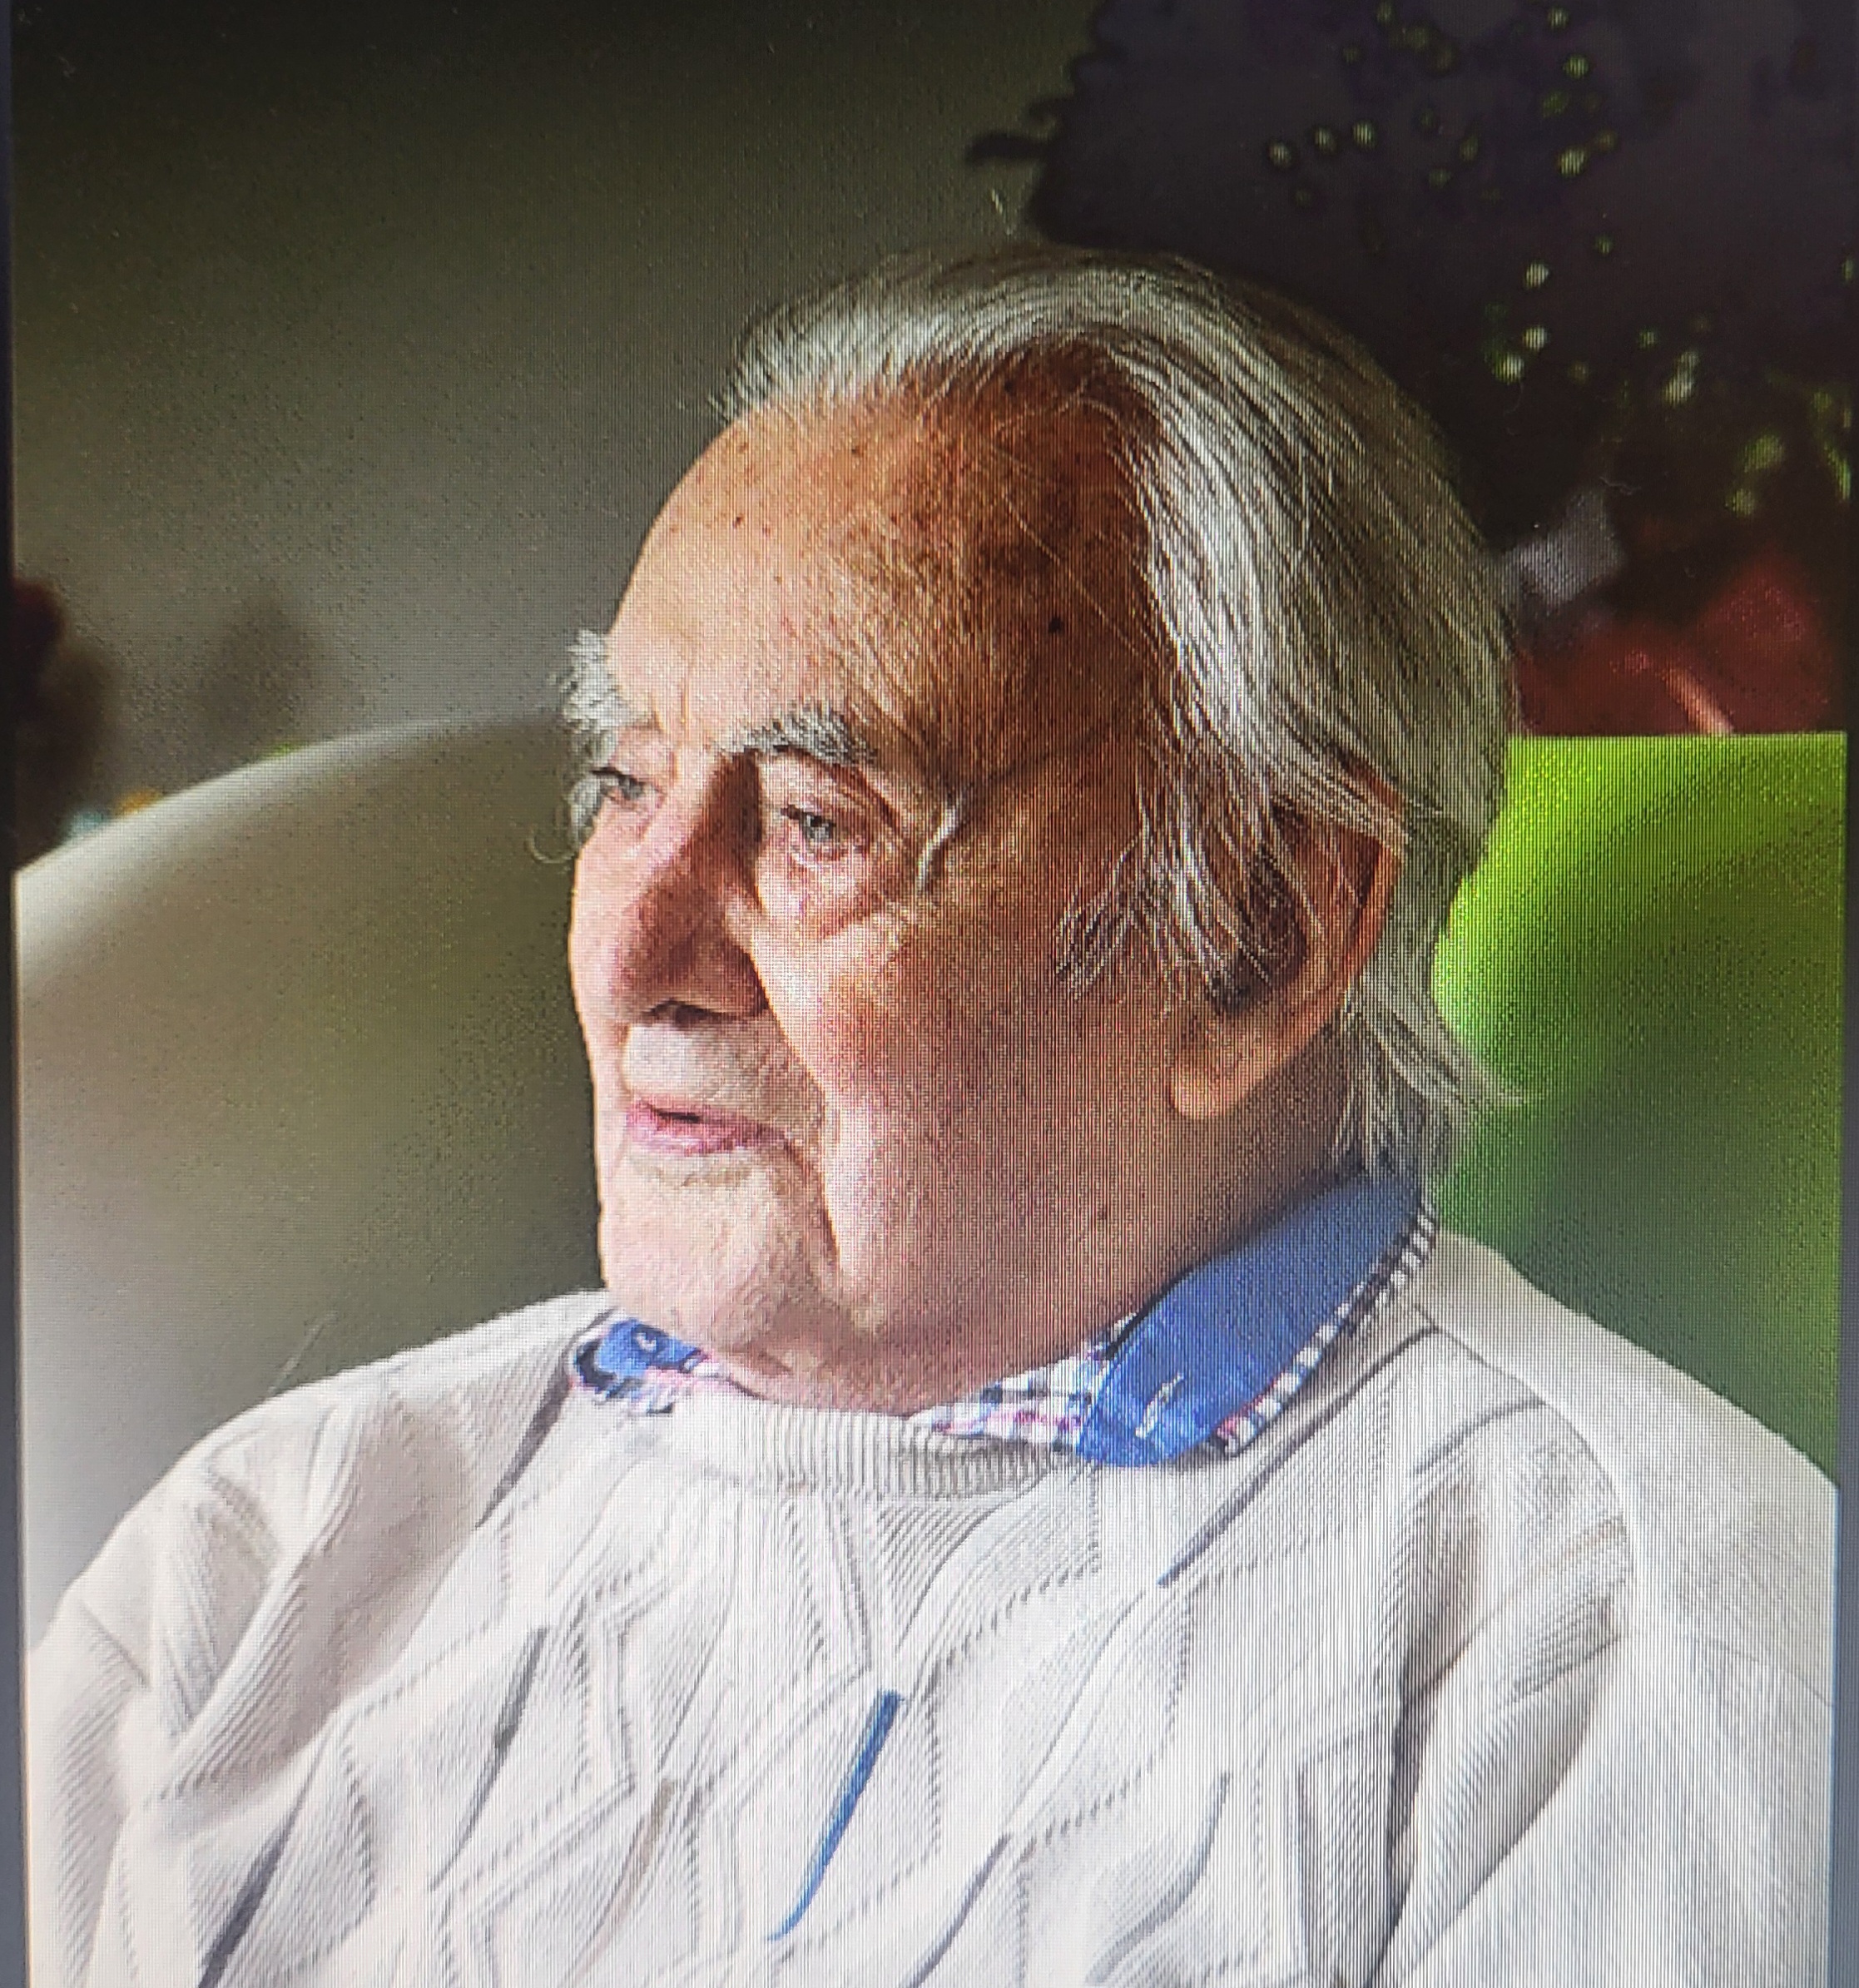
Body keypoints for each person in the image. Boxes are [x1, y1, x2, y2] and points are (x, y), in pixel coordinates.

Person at [28, 246, 1832, 1986]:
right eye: (626, 784)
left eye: (818, 821)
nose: (634, 956)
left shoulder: (1616, 1641)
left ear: (1258, 936)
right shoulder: (264, 1562)